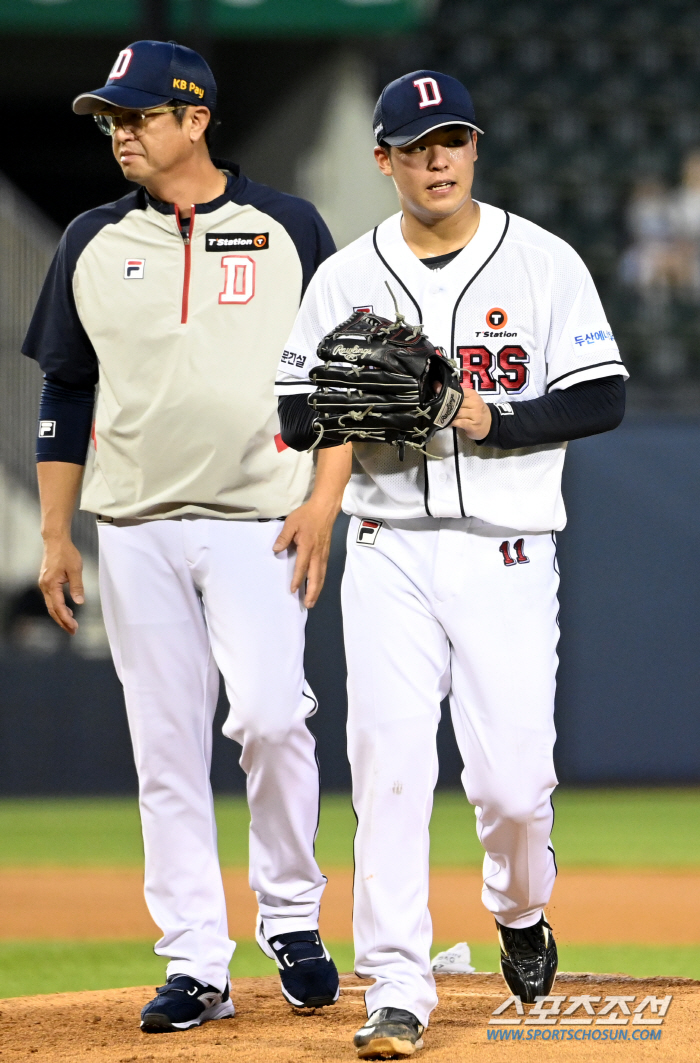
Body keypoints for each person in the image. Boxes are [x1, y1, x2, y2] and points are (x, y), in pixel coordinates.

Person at [276, 70, 627, 1059]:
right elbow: (297, 408)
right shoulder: (347, 277)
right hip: (388, 549)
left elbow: (601, 396)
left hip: (510, 554)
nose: (438, 158)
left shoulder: (543, 261)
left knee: (514, 787)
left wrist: (492, 417)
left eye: (454, 139)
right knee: (387, 768)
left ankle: (519, 911)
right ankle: (396, 982)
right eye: (417, 143)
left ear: (474, 150)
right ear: (381, 159)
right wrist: (373, 402)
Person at [24, 39, 344, 1033]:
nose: (119, 131)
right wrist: (55, 533)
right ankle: (196, 961)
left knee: (270, 718)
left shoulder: (288, 228)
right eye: (110, 118)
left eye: (136, 115)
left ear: (194, 119)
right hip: (132, 529)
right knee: (163, 749)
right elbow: (64, 390)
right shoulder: (90, 240)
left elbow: (335, 383)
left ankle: (290, 916)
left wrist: (325, 499)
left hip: (258, 520)